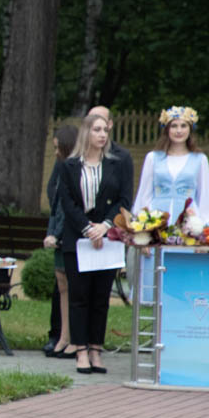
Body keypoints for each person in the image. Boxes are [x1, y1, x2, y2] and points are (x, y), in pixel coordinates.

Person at [57, 112, 132, 376]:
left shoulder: (116, 164)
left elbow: (124, 198)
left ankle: (95, 349)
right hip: (77, 238)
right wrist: (88, 229)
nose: (102, 135)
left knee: (101, 297)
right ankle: (80, 351)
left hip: (107, 238)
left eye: (105, 131)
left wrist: (106, 226)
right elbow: (67, 202)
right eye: (97, 130)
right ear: (86, 133)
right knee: (79, 296)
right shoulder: (69, 166)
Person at [133, 106, 209, 303]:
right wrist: (143, 232)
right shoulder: (154, 158)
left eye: (183, 125)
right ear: (166, 129)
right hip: (159, 220)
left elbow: (204, 197)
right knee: (156, 272)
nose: (178, 130)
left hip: (188, 222)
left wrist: (204, 233)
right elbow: (144, 194)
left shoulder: (199, 160)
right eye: (174, 125)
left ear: (190, 129)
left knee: (182, 275)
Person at [43, 123, 79, 358]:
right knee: (63, 286)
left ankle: (74, 337)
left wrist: (56, 232)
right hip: (57, 232)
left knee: (75, 288)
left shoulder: (74, 168)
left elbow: (67, 206)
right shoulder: (60, 166)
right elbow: (54, 203)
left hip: (71, 235)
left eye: (58, 148)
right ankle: (64, 335)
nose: (55, 152)